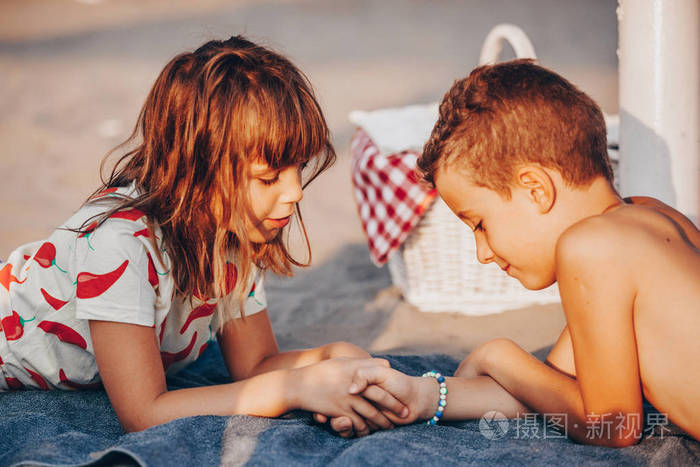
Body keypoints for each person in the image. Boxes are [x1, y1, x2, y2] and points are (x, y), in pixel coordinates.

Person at [0, 36, 407, 435]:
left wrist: (333, 360)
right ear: (196, 173)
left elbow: (256, 364)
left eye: (298, 169)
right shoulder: (116, 246)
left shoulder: (235, 230)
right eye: (268, 177)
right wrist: (295, 389)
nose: (295, 192)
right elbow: (143, 414)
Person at [343, 59, 700, 446]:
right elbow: (553, 389)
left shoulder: (593, 247)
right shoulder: (649, 216)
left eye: (479, 224)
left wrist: (499, 355)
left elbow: (613, 425)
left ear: (535, 188)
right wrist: (423, 397)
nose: (482, 253)